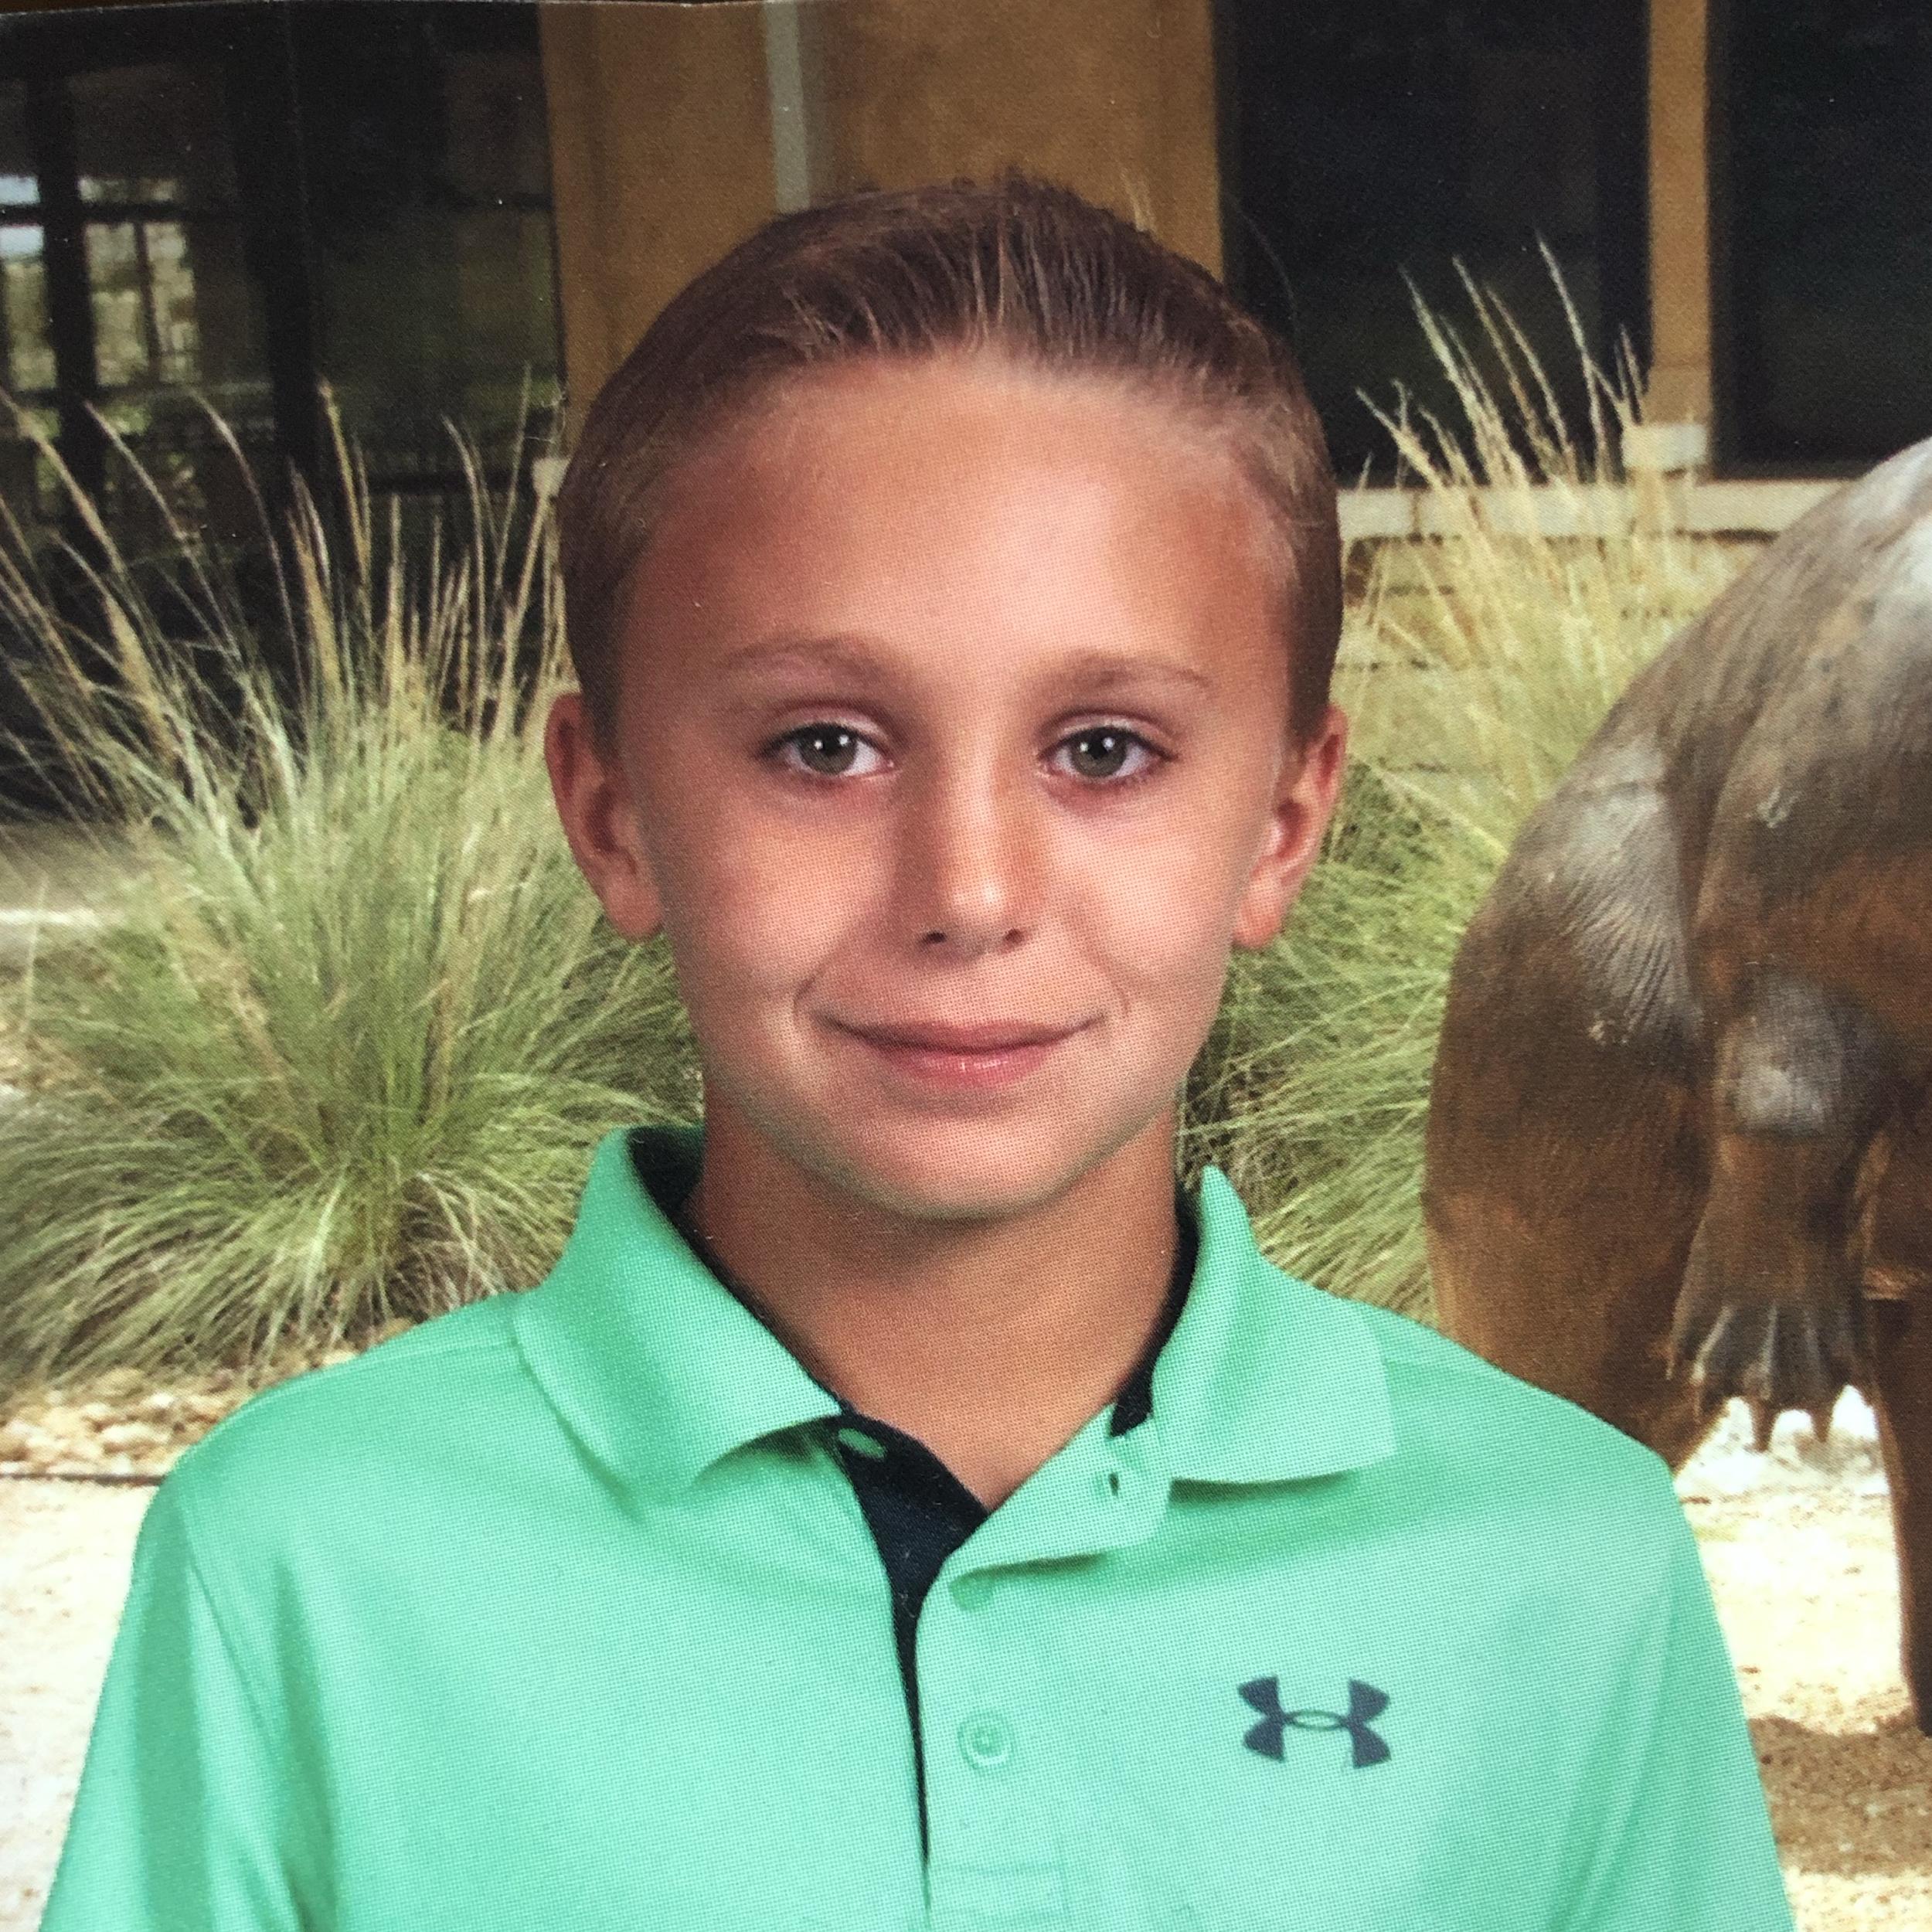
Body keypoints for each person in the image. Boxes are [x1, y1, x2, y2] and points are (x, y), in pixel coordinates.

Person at [39, 170, 1795, 1932]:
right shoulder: (305, 1561)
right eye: (824, 745)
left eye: (1103, 750)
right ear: (611, 811)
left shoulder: (1558, 1562)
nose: (967, 891)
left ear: (1281, 824)